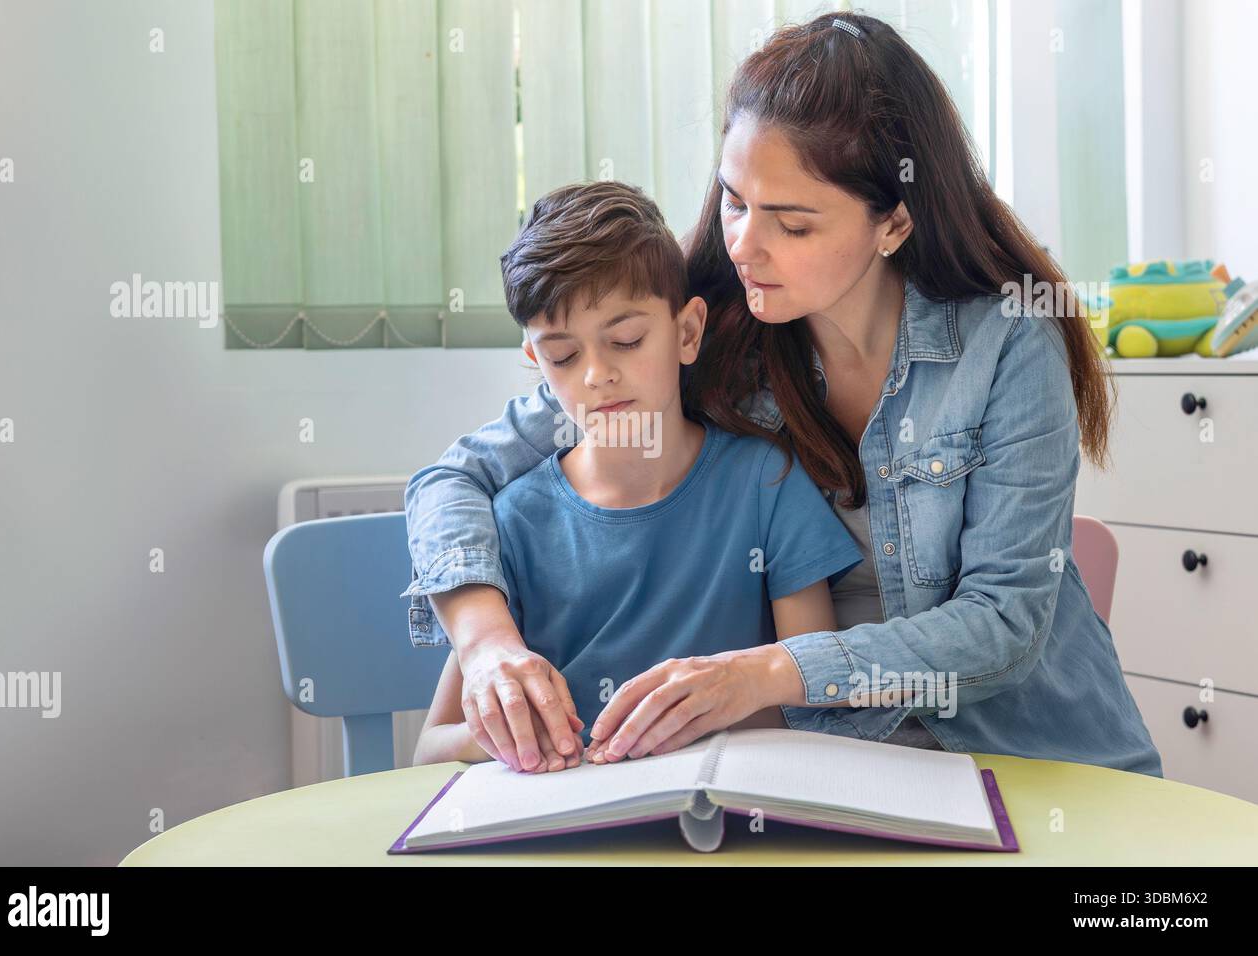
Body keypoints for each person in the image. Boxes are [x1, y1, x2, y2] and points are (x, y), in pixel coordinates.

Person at [402, 11, 1163, 778]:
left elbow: (1002, 624)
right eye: (734, 201)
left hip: (1035, 754)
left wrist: (764, 673)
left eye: (791, 224)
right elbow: (454, 479)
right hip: (843, 761)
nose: (742, 247)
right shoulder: (706, 332)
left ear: (893, 221)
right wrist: (488, 643)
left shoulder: (1007, 344)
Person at [412, 180, 862, 769]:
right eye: (564, 356)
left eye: (626, 340)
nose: (597, 375)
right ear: (536, 362)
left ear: (687, 332)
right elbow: (428, 752)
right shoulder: (514, 520)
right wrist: (515, 733)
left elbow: (814, 705)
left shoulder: (766, 484)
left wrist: (703, 716)